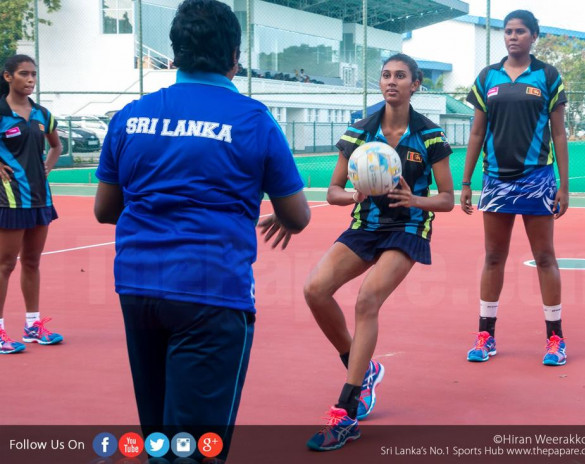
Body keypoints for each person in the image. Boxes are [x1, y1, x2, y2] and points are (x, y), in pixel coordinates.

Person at [93, 0, 310, 461]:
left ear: (176, 54)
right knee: (197, 449)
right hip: (212, 293)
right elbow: (298, 215)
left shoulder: (130, 116)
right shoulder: (253, 119)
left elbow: (105, 210)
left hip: (138, 288)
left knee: (159, 438)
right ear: (234, 54)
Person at [302, 53, 454, 451]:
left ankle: (346, 411)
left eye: (400, 76)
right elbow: (332, 190)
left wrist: (414, 201)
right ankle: (361, 367)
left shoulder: (431, 136)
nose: (392, 82)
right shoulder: (359, 132)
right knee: (315, 290)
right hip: (365, 225)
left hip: (407, 227)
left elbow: (447, 199)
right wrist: (352, 194)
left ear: (415, 84)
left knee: (368, 299)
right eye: (386, 75)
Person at [460, 10, 570, 366]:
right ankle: (485, 336)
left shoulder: (548, 76)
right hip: (495, 181)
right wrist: (466, 181)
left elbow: (558, 133)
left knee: (545, 257)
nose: (513, 37)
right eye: (508, 31)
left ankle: (555, 339)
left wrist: (563, 185)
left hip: (538, 179)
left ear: (534, 35)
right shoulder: (486, 77)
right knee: (493, 257)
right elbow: (476, 132)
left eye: (520, 31)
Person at [0, 54, 63, 355]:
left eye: (34, 75)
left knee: (33, 262)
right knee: (5, 265)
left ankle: (33, 326)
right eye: (24, 74)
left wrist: (46, 168)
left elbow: (56, 145)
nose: (30, 80)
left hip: (40, 198)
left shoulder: (42, 114)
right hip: (10, 199)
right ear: (8, 77)